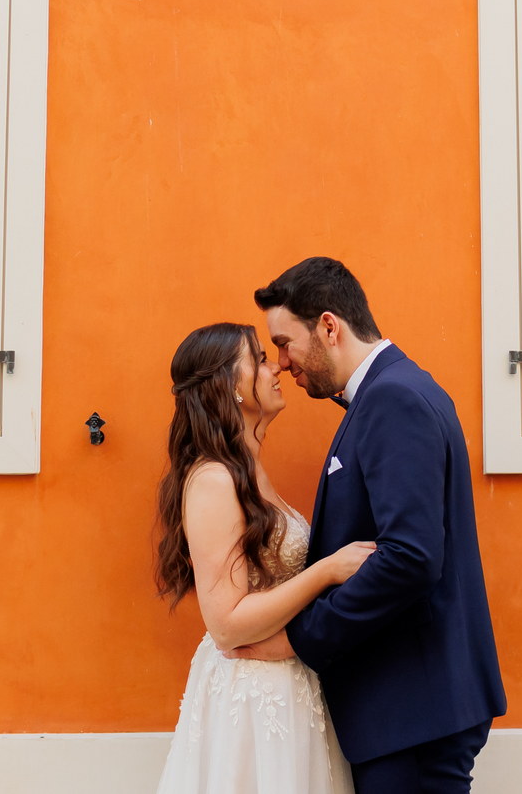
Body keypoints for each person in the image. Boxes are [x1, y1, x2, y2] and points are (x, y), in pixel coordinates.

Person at [233, 258, 506, 794]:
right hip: (409, 707)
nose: (283, 363)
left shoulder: (392, 399)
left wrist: (302, 639)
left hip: (412, 709)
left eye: (285, 343)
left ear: (329, 327)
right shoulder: (390, 390)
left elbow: (410, 558)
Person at [154, 321, 375, 794]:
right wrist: (327, 571)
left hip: (294, 686)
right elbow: (227, 624)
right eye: (257, 359)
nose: (275, 366)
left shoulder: (250, 470)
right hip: (253, 699)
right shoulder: (214, 481)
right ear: (227, 386)